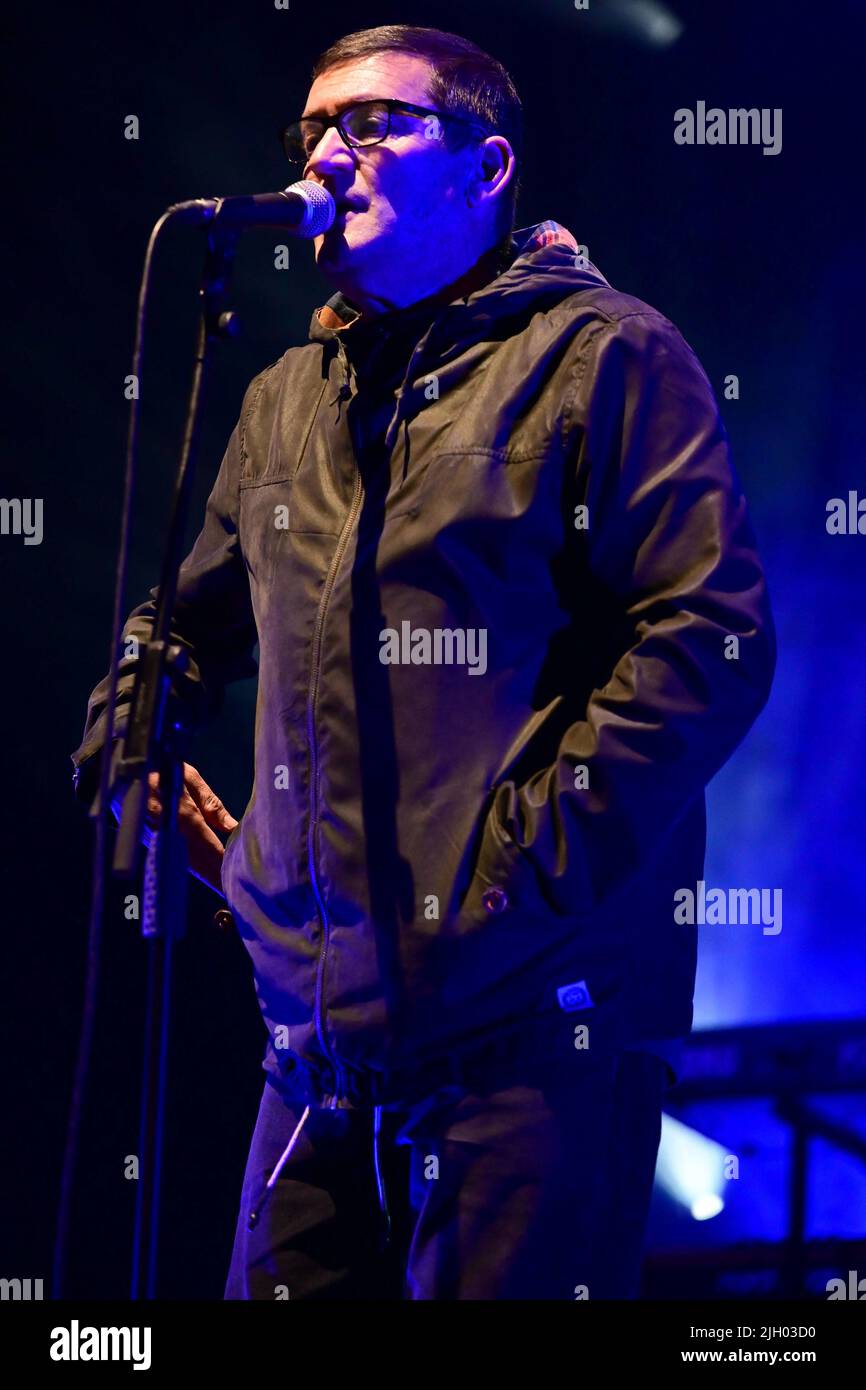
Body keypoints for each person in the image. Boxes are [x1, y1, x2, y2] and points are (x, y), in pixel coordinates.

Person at [72, 24, 776, 1300]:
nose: (326, 156)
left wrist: (507, 874)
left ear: (485, 167)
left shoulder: (603, 356)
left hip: (529, 1044)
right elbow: (175, 624)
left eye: (372, 124)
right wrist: (134, 748)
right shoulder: (285, 399)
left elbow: (705, 637)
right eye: (309, 131)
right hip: (310, 1052)